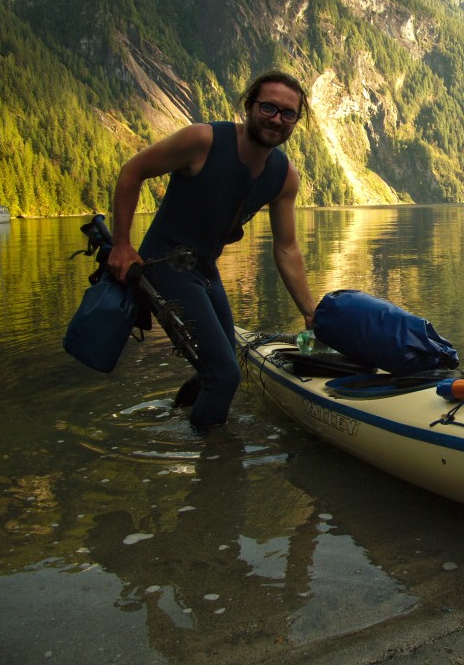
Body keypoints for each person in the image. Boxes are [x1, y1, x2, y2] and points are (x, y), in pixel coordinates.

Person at [108, 69, 318, 426]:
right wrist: (122, 245)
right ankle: (214, 462)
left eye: (288, 113)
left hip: (205, 270)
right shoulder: (202, 140)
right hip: (164, 265)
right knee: (224, 376)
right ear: (249, 107)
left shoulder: (284, 175)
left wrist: (310, 312)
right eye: (268, 108)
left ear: (297, 120)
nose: (277, 119)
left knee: (224, 365)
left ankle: (177, 419)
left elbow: (286, 249)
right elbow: (132, 172)